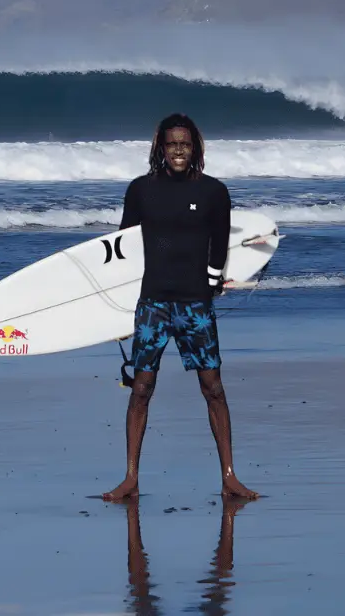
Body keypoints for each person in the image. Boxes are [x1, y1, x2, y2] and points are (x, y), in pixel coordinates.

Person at [98, 113, 260, 502]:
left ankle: (230, 477)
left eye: (184, 144)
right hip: (152, 302)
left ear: (196, 147)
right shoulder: (140, 191)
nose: (178, 151)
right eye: (171, 144)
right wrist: (116, 310)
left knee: (213, 387)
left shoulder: (214, 193)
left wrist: (212, 284)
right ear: (160, 148)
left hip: (195, 305)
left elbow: (219, 247)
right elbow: (123, 250)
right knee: (141, 388)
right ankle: (131, 479)